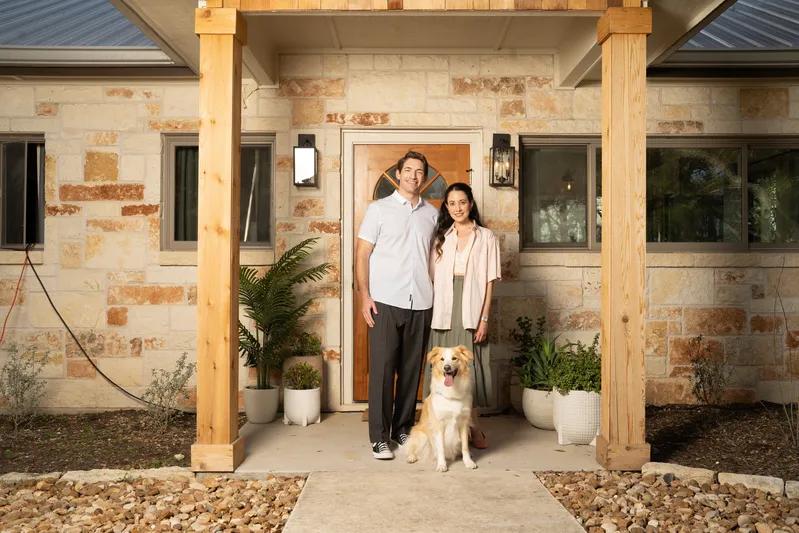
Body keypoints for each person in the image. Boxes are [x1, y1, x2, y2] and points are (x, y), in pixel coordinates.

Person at [356, 151, 439, 460]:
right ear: (399, 173)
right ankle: (379, 437)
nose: (413, 176)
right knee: (382, 370)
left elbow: (433, 259)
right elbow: (362, 254)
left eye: (419, 172)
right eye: (408, 170)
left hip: (421, 301)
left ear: (424, 178)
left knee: (410, 370)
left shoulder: (432, 215)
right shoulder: (378, 210)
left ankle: (402, 428)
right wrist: (365, 296)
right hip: (385, 302)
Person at [424, 182, 501, 449]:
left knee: (469, 370)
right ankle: (439, 431)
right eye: (452, 203)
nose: (458, 208)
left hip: (472, 307)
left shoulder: (487, 237)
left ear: (471, 204)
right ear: (447, 207)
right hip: (444, 307)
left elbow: (490, 281)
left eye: (462, 202)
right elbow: (432, 280)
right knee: (444, 369)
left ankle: (474, 429)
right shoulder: (441, 238)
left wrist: (485, 318)